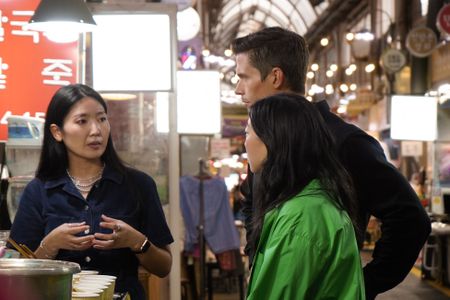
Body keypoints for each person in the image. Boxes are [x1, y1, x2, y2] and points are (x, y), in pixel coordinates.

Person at [232, 27, 431, 299]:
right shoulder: (268, 142)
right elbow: (251, 202)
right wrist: (258, 257)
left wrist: (362, 284)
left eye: (244, 77)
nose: (237, 88)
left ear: (275, 77)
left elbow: (410, 219)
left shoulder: (344, 142)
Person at [9, 84, 173, 300]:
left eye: (102, 119)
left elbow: (163, 267)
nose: (96, 130)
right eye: (82, 121)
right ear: (57, 132)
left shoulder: (139, 185)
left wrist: (137, 241)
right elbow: (18, 277)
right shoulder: (38, 191)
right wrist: (49, 246)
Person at [244, 93, 365, 299]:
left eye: (247, 133)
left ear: (271, 140)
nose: (245, 142)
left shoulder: (300, 218)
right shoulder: (310, 203)